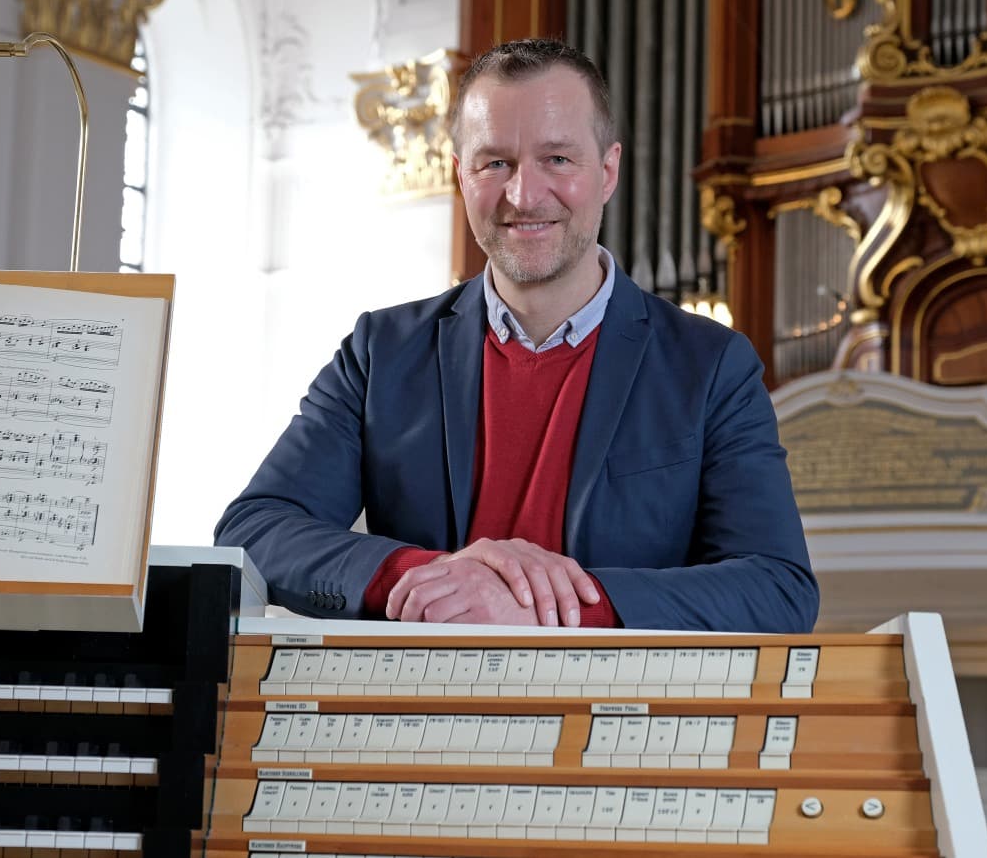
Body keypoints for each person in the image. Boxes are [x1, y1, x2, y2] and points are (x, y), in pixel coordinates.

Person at [215, 38, 817, 633]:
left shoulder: (711, 365)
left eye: (557, 159)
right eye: (494, 162)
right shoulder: (381, 351)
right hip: (414, 711)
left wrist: (559, 607)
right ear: (459, 174)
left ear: (607, 171)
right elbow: (255, 528)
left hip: (620, 717)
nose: (524, 196)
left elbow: (777, 587)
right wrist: (429, 577)